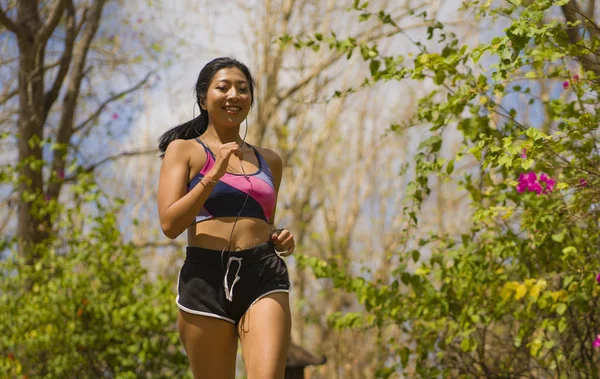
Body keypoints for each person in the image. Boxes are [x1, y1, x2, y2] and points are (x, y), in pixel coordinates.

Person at [157, 57, 295, 379]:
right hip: (204, 280)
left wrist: (279, 236)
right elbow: (169, 225)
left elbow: (263, 220)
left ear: (251, 101)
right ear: (203, 99)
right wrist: (213, 173)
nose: (234, 94)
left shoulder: (270, 161)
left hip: (263, 273)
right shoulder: (185, 151)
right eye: (223, 87)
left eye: (243, 89)